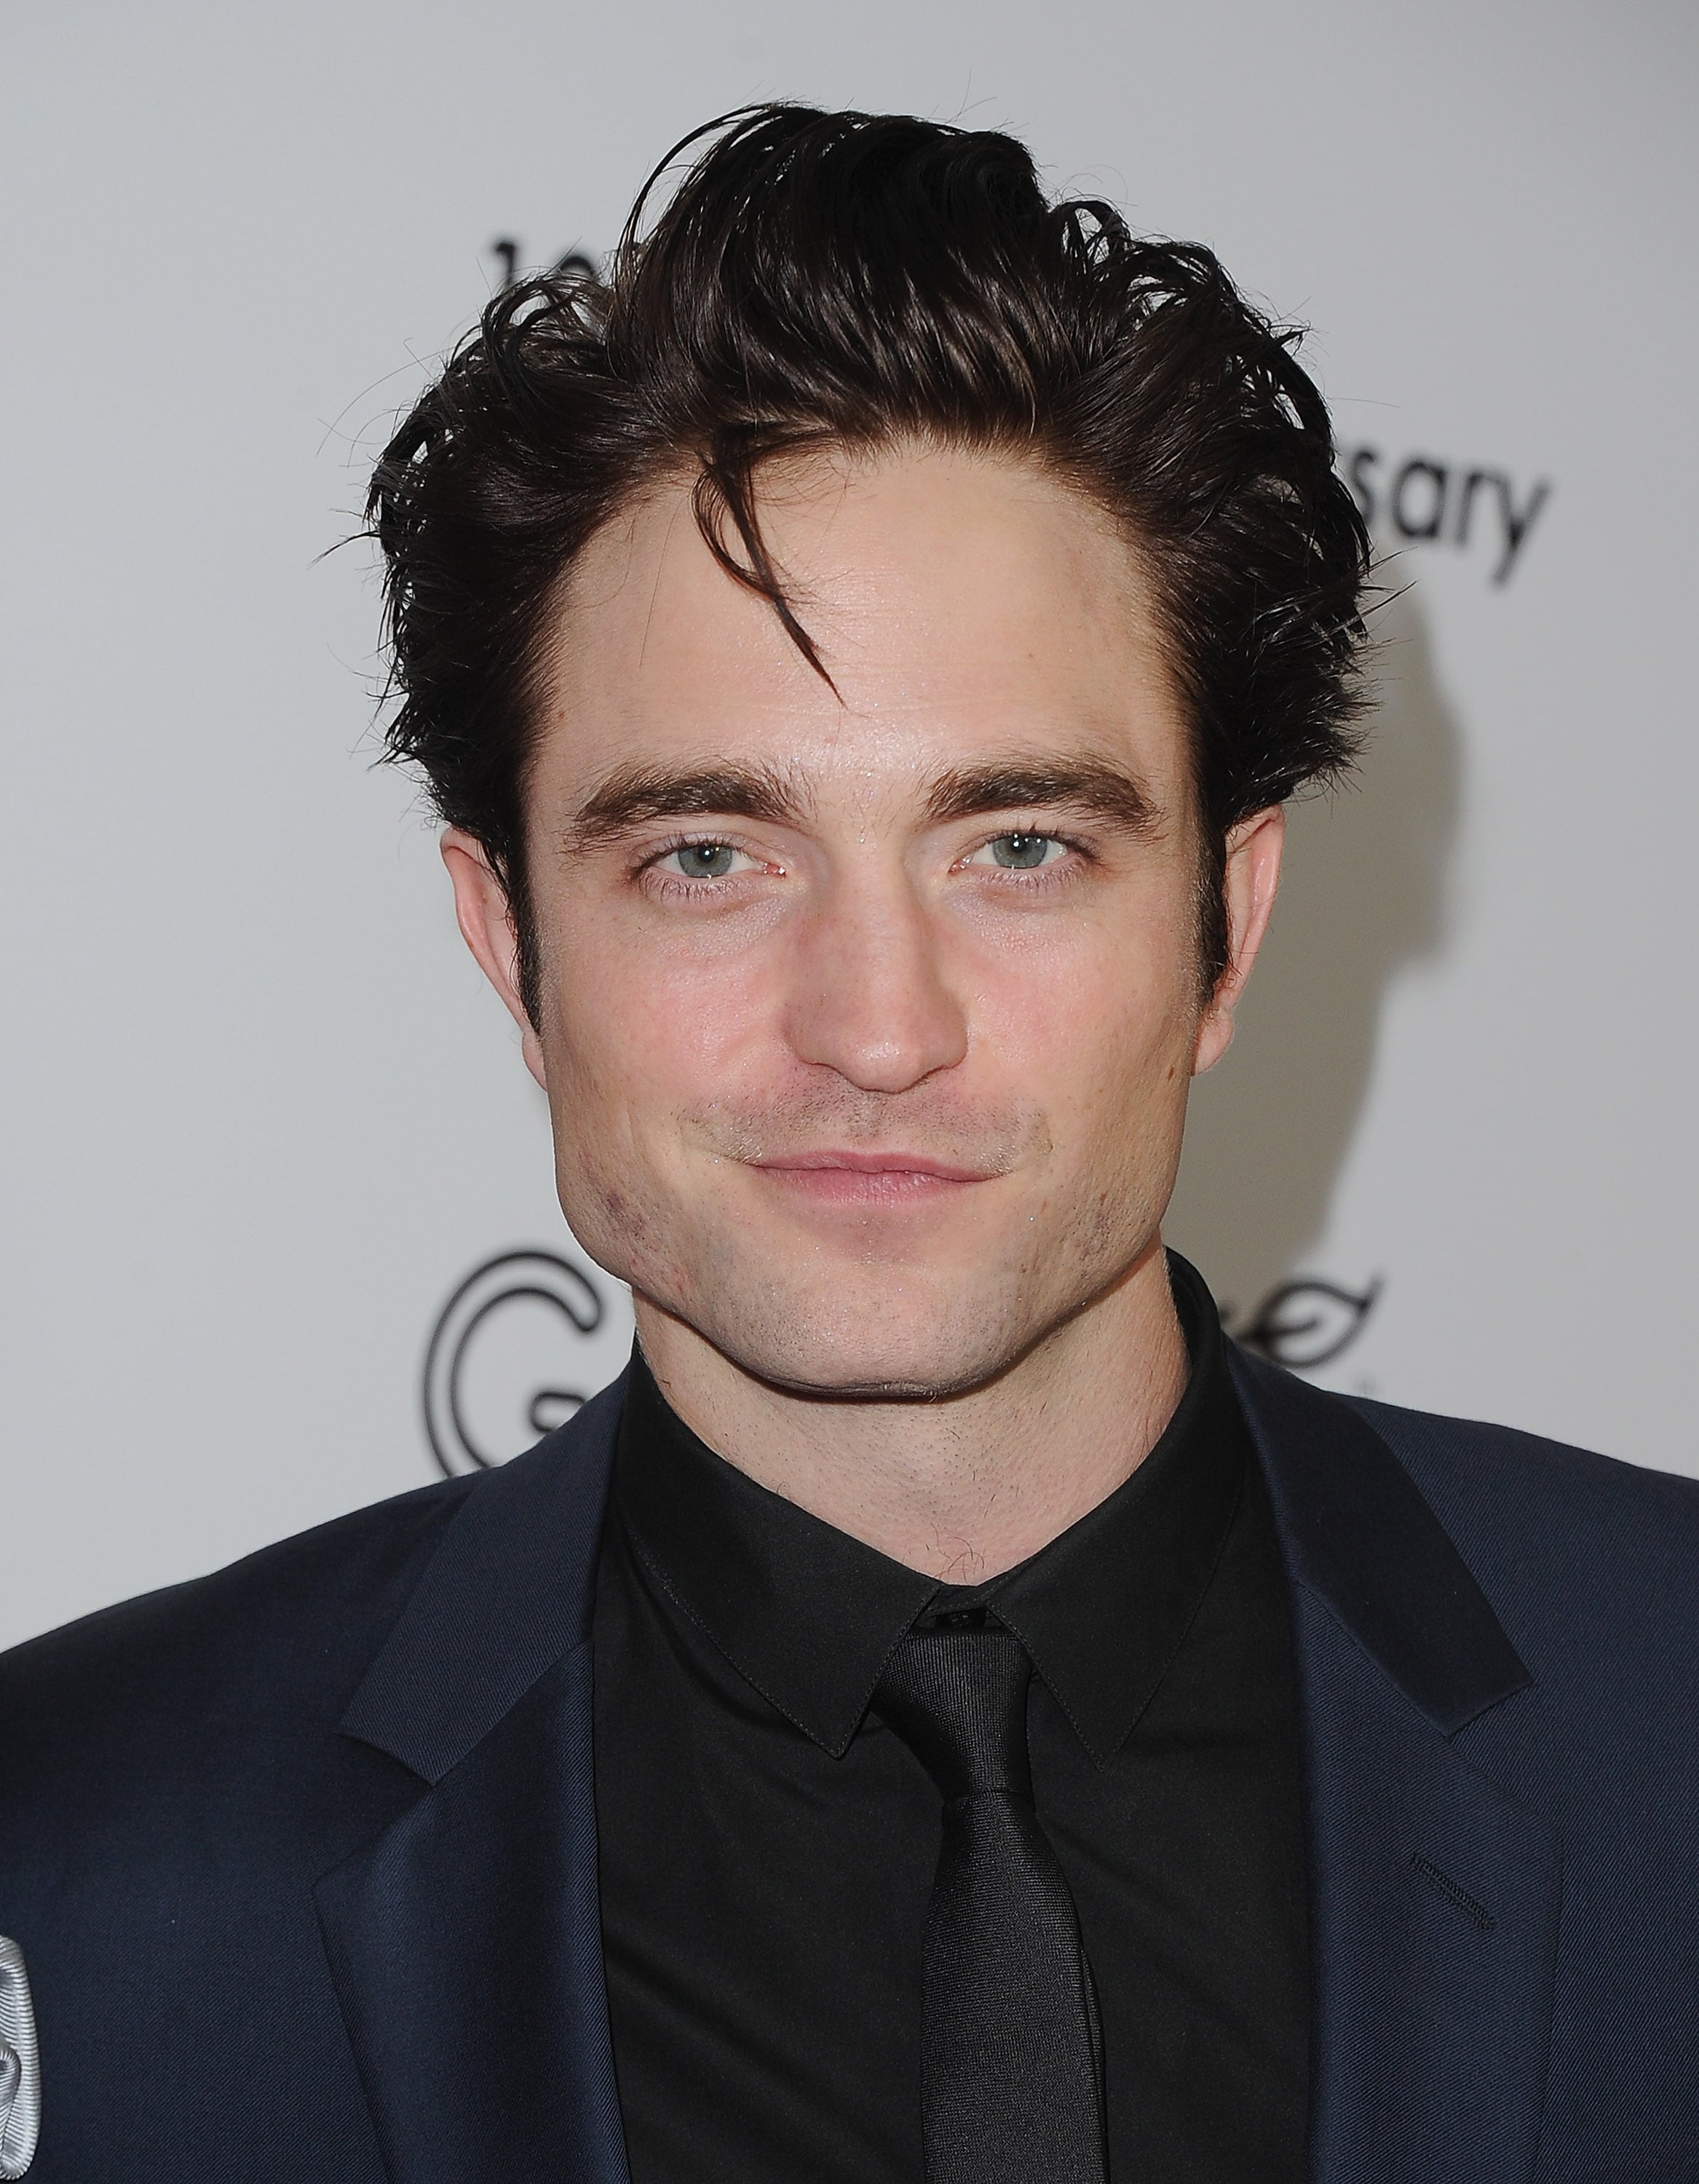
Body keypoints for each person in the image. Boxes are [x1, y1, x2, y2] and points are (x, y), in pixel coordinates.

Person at [1, 103, 1695, 2184]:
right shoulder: (80, 1853)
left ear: (1226, 927)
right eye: (710, 856)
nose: (877, 1030)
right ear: (510, 945)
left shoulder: (1672, 1715)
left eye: (1021, 845)